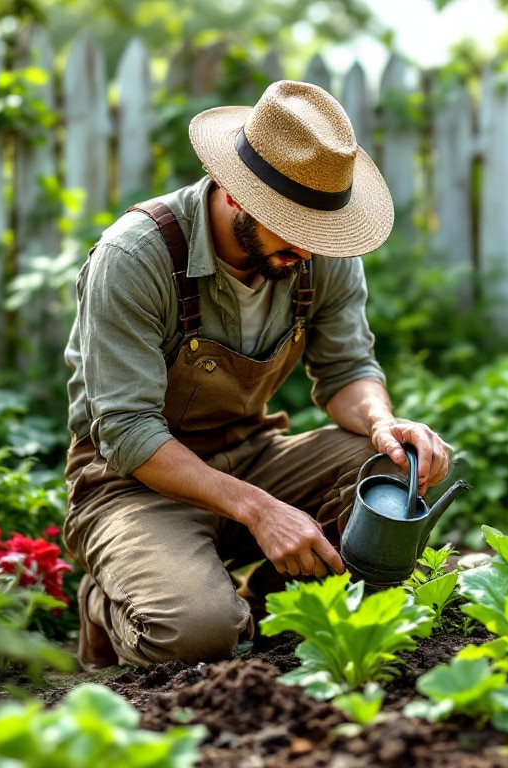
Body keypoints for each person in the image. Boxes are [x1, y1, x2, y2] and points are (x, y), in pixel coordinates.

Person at [61, 80, 451, 669]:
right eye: (294, 227)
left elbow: (347, 370)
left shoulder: (318, 254)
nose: (311, 250)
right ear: (238, 196)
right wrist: (259, 510)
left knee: (389, 468)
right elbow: (127, 432)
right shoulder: (136, 257)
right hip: (133, 485)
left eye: (321, 233)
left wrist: (383, 424)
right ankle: (107, 601)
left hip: (251, 456)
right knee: (194, 636)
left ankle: (275, 613)